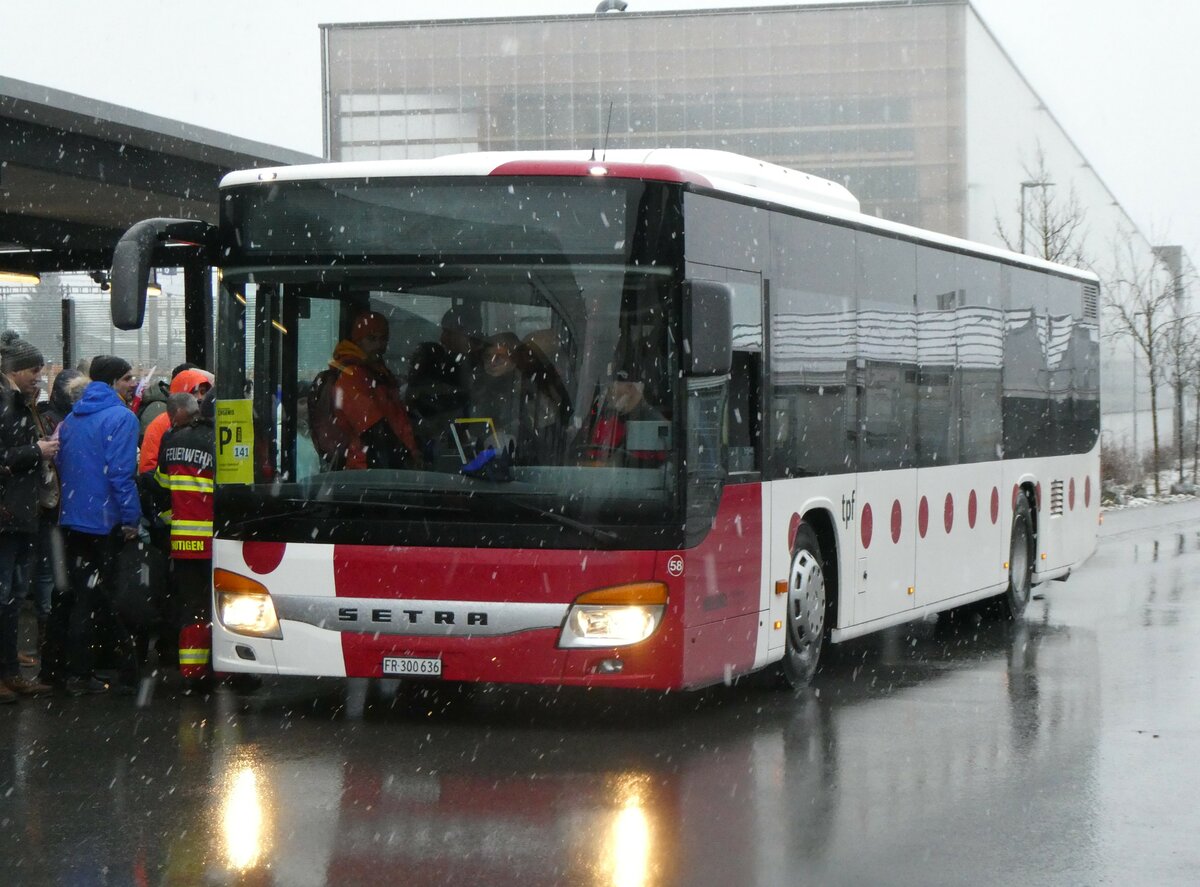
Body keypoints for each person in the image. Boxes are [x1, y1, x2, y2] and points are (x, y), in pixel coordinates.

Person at [52, 355, 141, 696]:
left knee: (80, 598)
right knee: (109, 597)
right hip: (106, 521)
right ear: (113, 382)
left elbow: (63, 460)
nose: (132, 383)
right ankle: (121, 669)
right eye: (127, 378)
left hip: (74, 519)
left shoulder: (74, 417)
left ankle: (75, 671)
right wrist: (130, 518)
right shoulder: (121, 418)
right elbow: (121, 474)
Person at [0, 336, 58, 701]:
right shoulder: (6, 404)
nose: (39, 377)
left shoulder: (20, 404)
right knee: (4, 597)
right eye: (34, 370)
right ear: (15, 369)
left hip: (21, 514)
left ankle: (11, 672)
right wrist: (34, 451)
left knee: (12, 596)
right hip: (7, 515)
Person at [149, 390, 214, 686]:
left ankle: (192, 673)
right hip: (217, 540)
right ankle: (226, 670)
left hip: (183, 542)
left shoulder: (172, 439)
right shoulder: (222, 442)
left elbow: (161, 484)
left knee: (192, 608)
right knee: (223, 607)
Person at [325, 311, 421, 469]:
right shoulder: (352, 376)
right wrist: (405, 460)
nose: (379, 345)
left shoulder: (375, 372)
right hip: (368, 469)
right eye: (371, 339)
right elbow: (374, 430)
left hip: (383, 466)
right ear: (358, 341)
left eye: (383, 339)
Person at [582, 369, 669, 467]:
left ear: (631, 388)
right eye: (609, 392)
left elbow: (663, 466)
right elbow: (588, 458)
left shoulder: (654, 424)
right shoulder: (604, 419)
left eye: (613, 393)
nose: (609, 398)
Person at [139, 367, 213, 474]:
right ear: (181, 395)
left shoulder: (209, 422)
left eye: (203, 392)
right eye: (195, 392)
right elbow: (148, 467)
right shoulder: (160, 424)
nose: (200, 397)